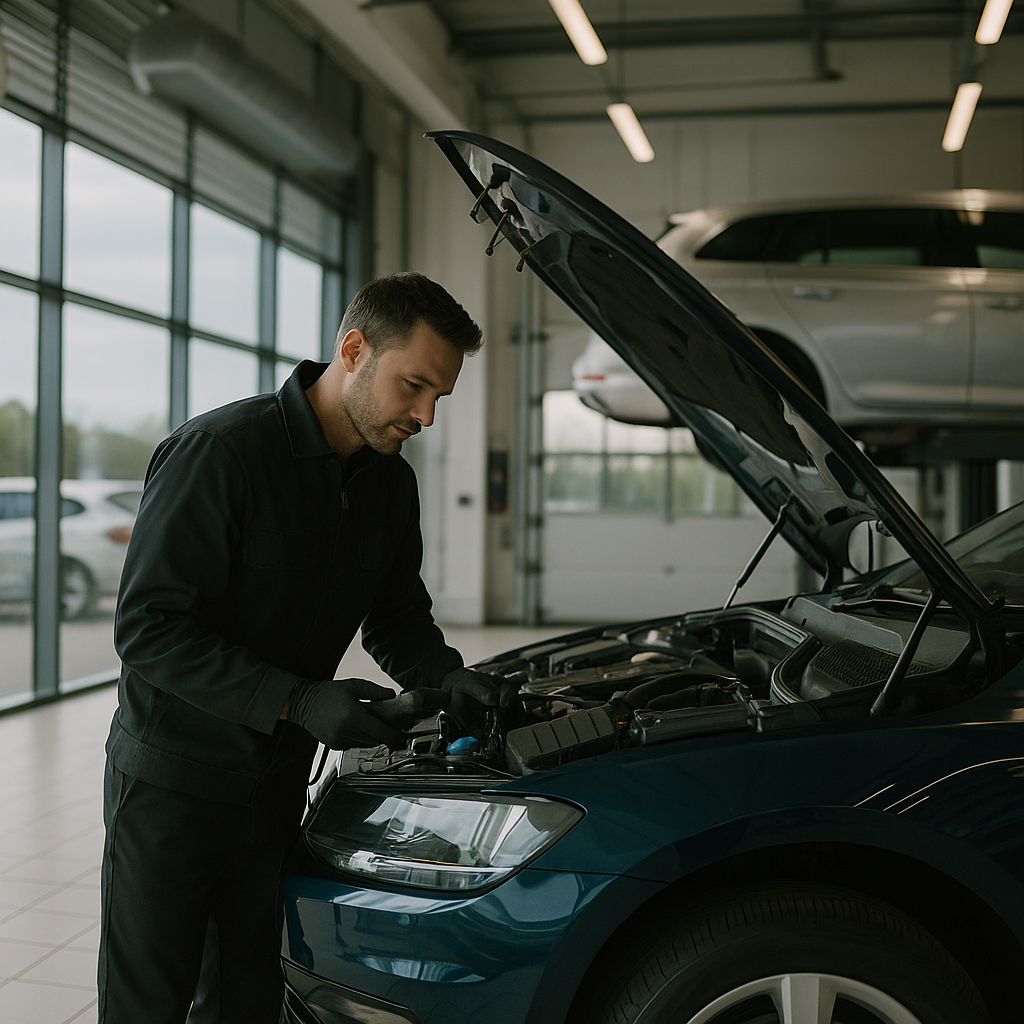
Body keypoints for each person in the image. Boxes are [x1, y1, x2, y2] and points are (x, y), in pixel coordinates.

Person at [97, 272, 506, 1024]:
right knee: (145, 1006)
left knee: (248, 1003)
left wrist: (450, 678)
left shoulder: (389, 485)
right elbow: (148, 627)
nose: (425, 415)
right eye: (413, 386)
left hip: (273, 792)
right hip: (171, 791)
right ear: (353, 350)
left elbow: (397, 617)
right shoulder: (220, 453)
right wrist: (297, 698)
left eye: (439, 397)